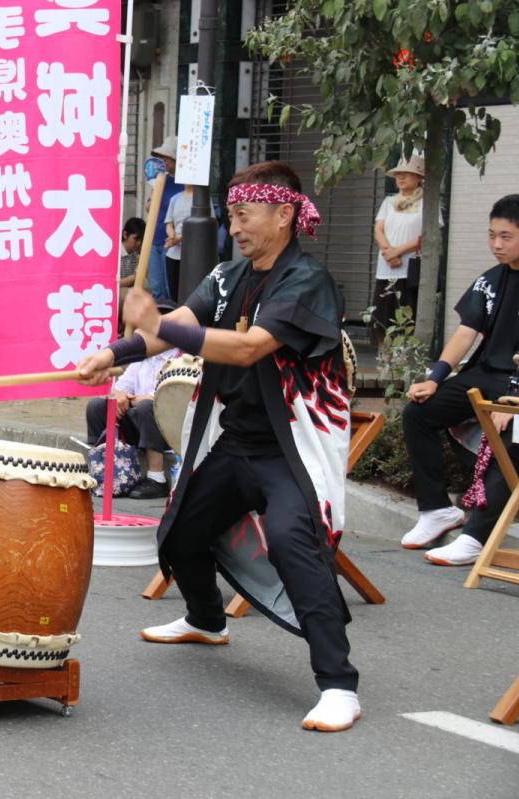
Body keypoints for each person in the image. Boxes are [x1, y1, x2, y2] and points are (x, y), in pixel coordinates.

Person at [79, 160, 360, 732]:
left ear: (284, 215)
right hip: (237, 441)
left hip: (291, 451)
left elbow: (248, 348)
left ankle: (338, 685)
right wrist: (115, 352)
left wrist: (159, 323)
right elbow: (173, 325)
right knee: (180, 528)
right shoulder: (230, 277)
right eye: (231, 215)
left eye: (245, 214)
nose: (235, 226)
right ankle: (207, 620)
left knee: (291, 540)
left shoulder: (308, 282)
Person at [400, 194, 519, 566]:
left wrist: (517, 396)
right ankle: (436, 510)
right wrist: (437, 378)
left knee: (507, 439)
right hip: (487, 374)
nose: (496, 244)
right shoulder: (491, 279)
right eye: (492, 235)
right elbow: (465, 333)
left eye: (506, 237)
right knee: (418, 413)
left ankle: (476, 536)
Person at [83, 302, 178, 499]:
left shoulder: (182, 356)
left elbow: (171, 397)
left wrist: (136, 400)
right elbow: (121, 388)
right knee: (98, 406)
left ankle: (157, 478)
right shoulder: (142, 358)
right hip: (139, 423)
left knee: (148, 407)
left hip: (169, 427)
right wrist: (119, 397)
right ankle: (104, 470)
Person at [371, 154, 425, 360]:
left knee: (405, 311)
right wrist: (388, 252)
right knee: (381, 312)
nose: (400, 178)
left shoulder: (425, 203)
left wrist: (398, 251)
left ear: (418, 177)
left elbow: (425, 236)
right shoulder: (389, 201)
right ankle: (384, 355)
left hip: (408, 267)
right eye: (398, 175)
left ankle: (404, 357)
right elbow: (378, 228)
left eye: (407, 174)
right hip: (386, 267)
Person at [146, 136, 185, 303]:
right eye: (161, 158)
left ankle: (171, 325)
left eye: (167, 158)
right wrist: (155, 187)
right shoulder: (161, 180)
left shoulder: (186, 184)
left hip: (172, 242)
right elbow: (149, 206)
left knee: (171, 289)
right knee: (156, 288)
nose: (163, 162)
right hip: (154, 239)